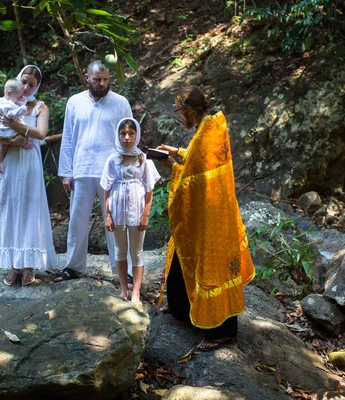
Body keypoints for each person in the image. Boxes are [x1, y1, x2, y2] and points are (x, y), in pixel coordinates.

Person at [156, 85, 255, 351]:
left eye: (180, 112)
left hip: (209, 218)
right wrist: (179, 151)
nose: (180, 117)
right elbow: (201, 162)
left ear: (188, 110)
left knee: (213, 267)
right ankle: (180, 306)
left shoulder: (204, 137)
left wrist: (172, 167)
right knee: (180, 254)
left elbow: (191, 180)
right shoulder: (215, 128)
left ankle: (222, 332)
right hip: (219, 212)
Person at [56, 60, 132, 281]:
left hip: (112, 171)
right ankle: (74, 266)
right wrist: (66, 171)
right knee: (77, 220)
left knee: (116, 221)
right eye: (98, 79)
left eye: (106, 79)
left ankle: (122, 270)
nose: (102, 83)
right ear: (87, 77)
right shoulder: (74, 102)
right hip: (81, 168)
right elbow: (68, 138)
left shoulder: (120, 103)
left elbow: (129, 137)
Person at [0, 65, 57, 286]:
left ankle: (28, 265)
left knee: (29, 208)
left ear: (37, 86)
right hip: (9, 161)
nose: (25, 87)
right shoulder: (3, 104)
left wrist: (14, 124)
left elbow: (41, 133)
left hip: (29, 161)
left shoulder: (39, 108)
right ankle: (13, 264)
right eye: (23, 81)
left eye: (31, 84)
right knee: (9, 206)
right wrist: (10, 140)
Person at [101, 117, 160, 304]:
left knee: (137, 252)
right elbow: (107, 189)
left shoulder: (143, 159)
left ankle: (136, 291)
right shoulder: (113, 160)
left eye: (131, 134)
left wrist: (145, 215)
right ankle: (124, 288)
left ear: (137, 135)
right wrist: (108, 215)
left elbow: (149, 190)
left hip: (137, 210)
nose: (127, 137)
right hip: (117, 211)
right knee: (120, 251)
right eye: (123, 133)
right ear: (118, 135)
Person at [0, 79, 28, 173]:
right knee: (23, 131)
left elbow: (15, 105)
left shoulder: (3, 101)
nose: (19, 98)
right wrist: (22, 110)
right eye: (18, 97)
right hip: (2, 129)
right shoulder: (5, 105)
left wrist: (21, 102)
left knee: (3, 144)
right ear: (9, 93)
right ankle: (24, 143)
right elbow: (11, 115)